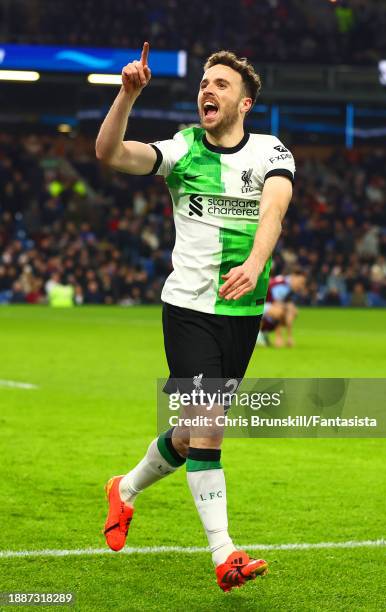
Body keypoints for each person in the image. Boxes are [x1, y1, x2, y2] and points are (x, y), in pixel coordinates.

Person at [96, 42, 295, 592]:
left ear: (246, 103)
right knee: (209, 427)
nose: (208, 90)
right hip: (188, 308)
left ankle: (125, 489)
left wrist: (256, 263)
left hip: (243, 313)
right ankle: (224, 553)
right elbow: (110, 155)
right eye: (205, 83)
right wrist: (126, 94)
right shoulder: (183, 150)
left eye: (222, 84)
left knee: (188, 435)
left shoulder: (272, 153)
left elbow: (274, 209)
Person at [257, 271, 306, 348]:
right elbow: (277, 305)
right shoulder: (282, 286)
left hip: (266, 305)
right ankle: (263, 335)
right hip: (258, 304)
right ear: (293, 277)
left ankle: (287, 338)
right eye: (300, 282)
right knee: (280, 311)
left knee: (292, 310)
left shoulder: (288, 286)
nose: (301, 286)